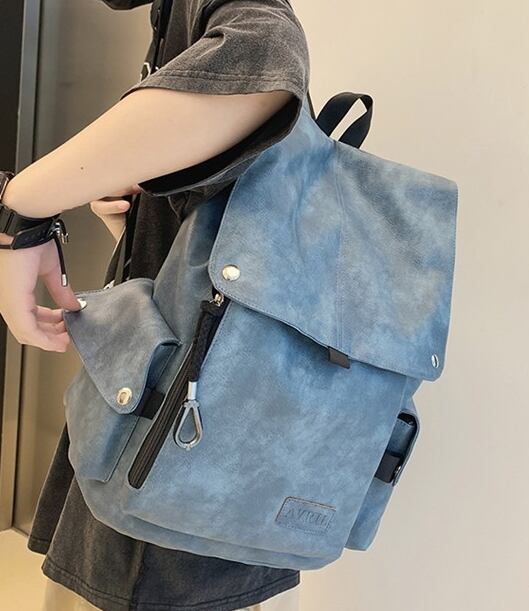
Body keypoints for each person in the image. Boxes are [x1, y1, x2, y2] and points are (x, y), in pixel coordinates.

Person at [0, 0, 310, 609]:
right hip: (166, 418)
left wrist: (23, 207)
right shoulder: (169, 17)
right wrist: (144, 225)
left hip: (172, 437)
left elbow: (265, 55)